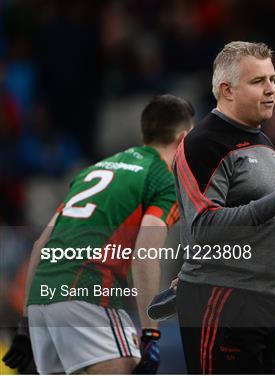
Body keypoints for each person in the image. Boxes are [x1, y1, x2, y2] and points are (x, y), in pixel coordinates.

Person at [2, 95, 194, 374]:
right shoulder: (163, 178)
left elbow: (40, 246)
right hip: (87, 294)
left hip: (42, 302)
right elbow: (145, 253)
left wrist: (26, 324)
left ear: (145, 133)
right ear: (183, 138)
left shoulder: (94, 170)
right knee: (130, 365)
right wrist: (150, 334)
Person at [173, 41, 275, 374]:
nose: (271, 90)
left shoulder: (261, 139)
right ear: (226, 90)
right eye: (258, 82)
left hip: (262, 301)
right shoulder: (203, 142)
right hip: (221, 299)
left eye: (273, 80)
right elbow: (202, 228)